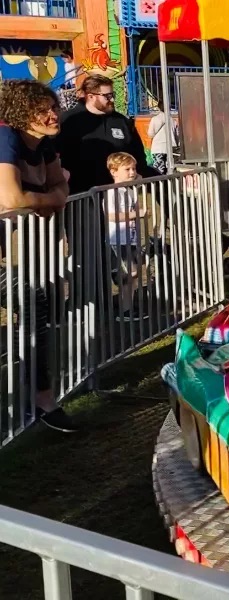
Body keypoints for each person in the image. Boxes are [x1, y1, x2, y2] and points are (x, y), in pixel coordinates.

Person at [0, 80, 76, 432]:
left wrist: (50, 196)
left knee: (34, 305)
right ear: (20, 113)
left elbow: (61, 184)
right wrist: (50, 199)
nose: (52, 114)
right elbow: (12, 198)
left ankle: (41, 399)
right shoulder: (6, 137)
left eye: (53, 107)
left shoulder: (43, 142)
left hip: (13, 247)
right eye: (42, 110)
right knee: (32, 303)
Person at [56, 75, 159, 194]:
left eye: (112, 95)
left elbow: (137, 153)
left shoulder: (121, 121)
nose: (112, 99)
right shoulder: (69, 120)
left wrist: (138, 173)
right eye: (107, 96)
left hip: (119, 194)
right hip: (81, 194)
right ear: (91, 96)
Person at [105, 152, 145, 319]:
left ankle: (130, 307)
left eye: (134, 168)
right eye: (127, 169)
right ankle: (125, 311)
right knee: (128, 276)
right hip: (118, 241)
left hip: (131, 238)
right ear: (114, 171)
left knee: (133, 276)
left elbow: (140, 179)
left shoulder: (128, 191)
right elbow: (111, 215)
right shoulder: (112, 192)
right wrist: (136, 214)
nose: (132, 172)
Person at [147, 106, 178, 174]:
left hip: (158, 148)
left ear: (159, 108)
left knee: (159, 171)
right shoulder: (172, 120)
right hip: (171, 148)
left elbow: (150, 134)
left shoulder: (155, 119)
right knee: (170, 170)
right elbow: (177, 136)